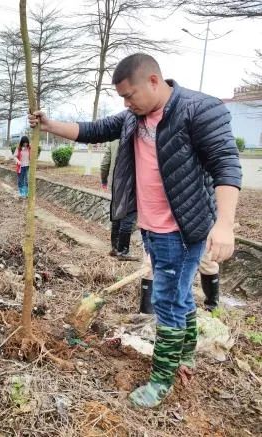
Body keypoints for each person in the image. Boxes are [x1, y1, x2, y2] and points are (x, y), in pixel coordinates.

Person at [28, 53, 241, 408]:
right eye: (123, 99)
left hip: (182, 228)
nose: (126, 103)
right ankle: (185, 358)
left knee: (166, 300)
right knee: (180, 297)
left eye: (130, 95)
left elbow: (226, 163)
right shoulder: (133, 117)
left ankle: (162, 380)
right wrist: (50, 125)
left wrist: (224, 224)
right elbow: (92, 130)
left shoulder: (199, 110)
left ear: (154, 81)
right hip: (151, 227)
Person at [100, 141, 139, 262]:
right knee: (129, 215)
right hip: (131, 182)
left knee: (117, 213)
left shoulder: (113, 139)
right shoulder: (135, 133)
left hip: (116, 183)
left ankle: (115, 248)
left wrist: (104, 180)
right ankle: (123, 251)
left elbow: (105, 163)